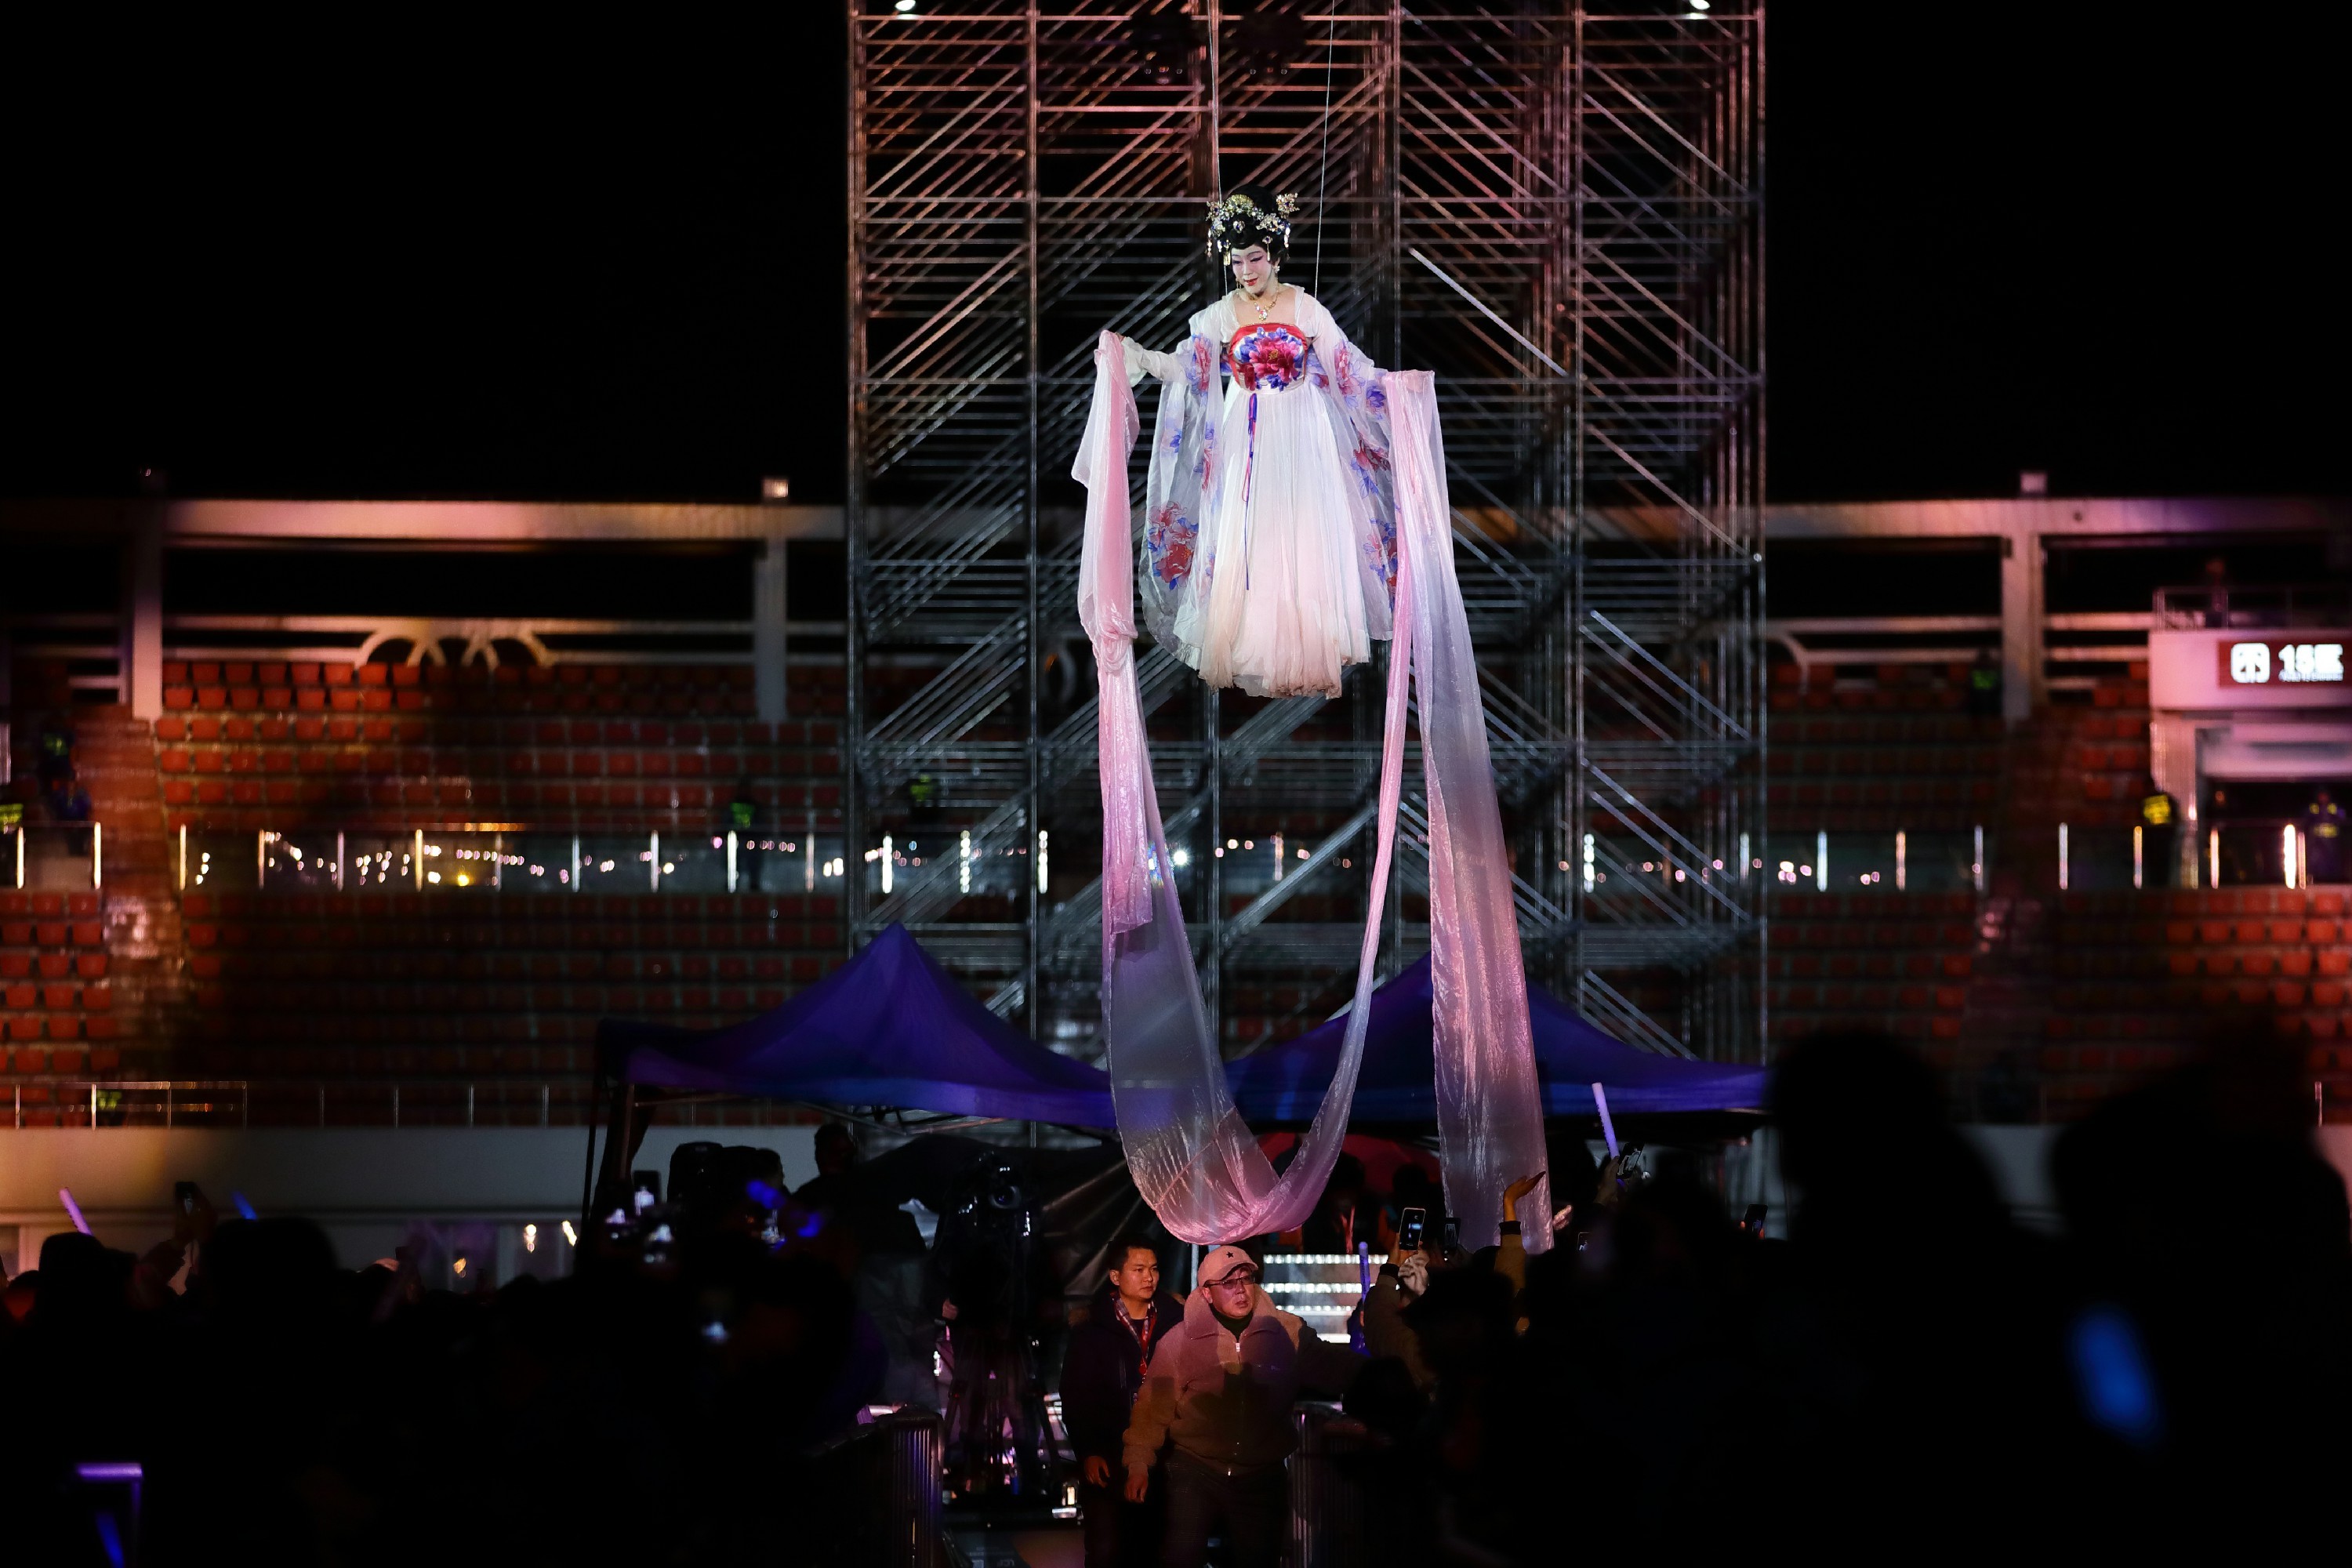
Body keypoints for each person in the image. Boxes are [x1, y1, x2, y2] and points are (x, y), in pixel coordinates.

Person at [1112, 184, 1402, 699]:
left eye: (1255, 258)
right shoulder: (1221, 315)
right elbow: (1189, 365)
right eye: (1237, 261)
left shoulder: (1304, 308)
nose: (1246, 270)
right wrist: (1139, 358)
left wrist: (1395, 392)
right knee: (1250, 540)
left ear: (1275, 253)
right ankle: (1255, 643)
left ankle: (1308, 647)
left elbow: (1345, 366)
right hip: (1247, 432)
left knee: (1304, 536)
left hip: (1302, 431)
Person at [1122, 1244, 1367, 1568]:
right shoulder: (1180, 1341)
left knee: (1258, 1560)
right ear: (1207, 1294)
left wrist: (1386, 1373)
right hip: (1197, 1467)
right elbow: (1153, 1407)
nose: (1241, 1289)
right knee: (1180, 1556)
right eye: (1229, 1282)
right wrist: (1138, 1462)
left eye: (1246, 1278)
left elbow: (1332, 1365)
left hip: (1260, 1472)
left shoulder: (1286, 1332)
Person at [1062, 1236, 1183, 1568]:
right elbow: (1076, 1397)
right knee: (1107, 1551)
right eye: (1139, 1269)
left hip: (1164, 1456)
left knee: (1156, 1550)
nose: (1149, 1278)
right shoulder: (1091, 1330)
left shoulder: (1176, 1321)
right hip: (1109, 1456)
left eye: (1155, 1269)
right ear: (1115, 1276)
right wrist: (1088, 1450)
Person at [2138, 778, 2178, 888]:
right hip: (2164, 836)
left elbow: (2141, 819)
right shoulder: (2165, 798)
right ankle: (2162, 887)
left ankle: (2156, 886)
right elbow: (2175, 815)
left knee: (2154, 866)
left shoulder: (2144, 801)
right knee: (2164, 864)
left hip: (2152, 837)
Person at [2305, 785, 2344, 884]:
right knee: (2317, 864)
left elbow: (2342, 817)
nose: (2323, 798)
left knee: (2331, 865)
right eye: (2321, 796)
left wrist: (2331, 816)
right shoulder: (2313, 808)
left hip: (2332, 842)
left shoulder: (2333, 807)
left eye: (2325, 795)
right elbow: (2306, 818)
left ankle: (2333, 881)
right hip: (2317, 842)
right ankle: (2316, 881)